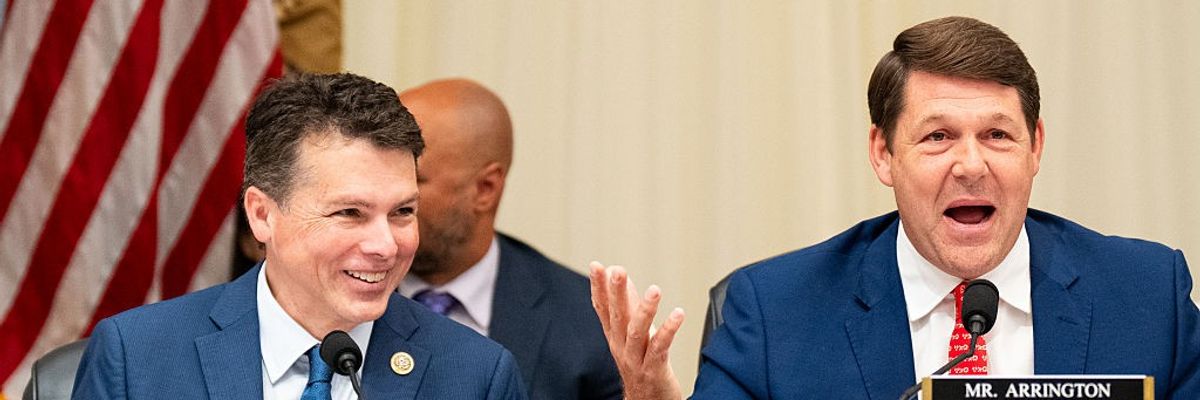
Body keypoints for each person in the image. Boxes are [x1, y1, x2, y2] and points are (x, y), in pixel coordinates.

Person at [590, 16, 1200, 399]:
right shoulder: (776, 313)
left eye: (998, 135)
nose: (970, 165)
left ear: (1036, 146)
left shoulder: (1147, 297)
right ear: (882, 153)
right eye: (937, 137)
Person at [72, 73, 527, 399]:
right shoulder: (138, 357)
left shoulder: (477, 376)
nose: (386, 246)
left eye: (402, 212)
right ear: (262, 215)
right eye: (350, 212)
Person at [396, 79, 622, 400]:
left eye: (412, 179)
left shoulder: (589, 322)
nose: (390, 197)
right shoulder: (339, 292)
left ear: (485, 189)